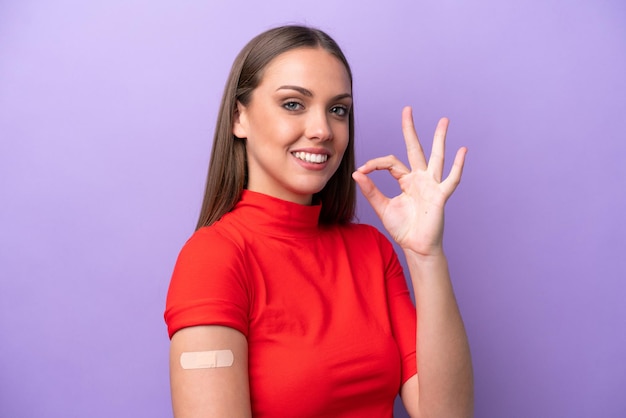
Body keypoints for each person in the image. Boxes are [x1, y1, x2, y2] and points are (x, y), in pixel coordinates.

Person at [164, 25, 473, 417]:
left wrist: (426, 256)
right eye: (293, 104)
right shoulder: (214, 257)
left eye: (338, 109)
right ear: (238, 118)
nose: (322, 130)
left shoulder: (372, 251)